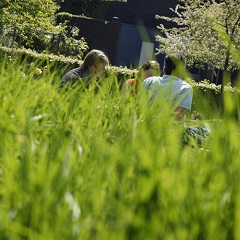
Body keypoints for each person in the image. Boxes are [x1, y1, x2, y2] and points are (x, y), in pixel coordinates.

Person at [142, 55, 193, 121]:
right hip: (171, 130)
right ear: (182, 72)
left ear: (164, 70)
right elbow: (175, 117)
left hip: (144, 125)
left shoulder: (148, 81)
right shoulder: (185, 88)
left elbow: (140, 106)